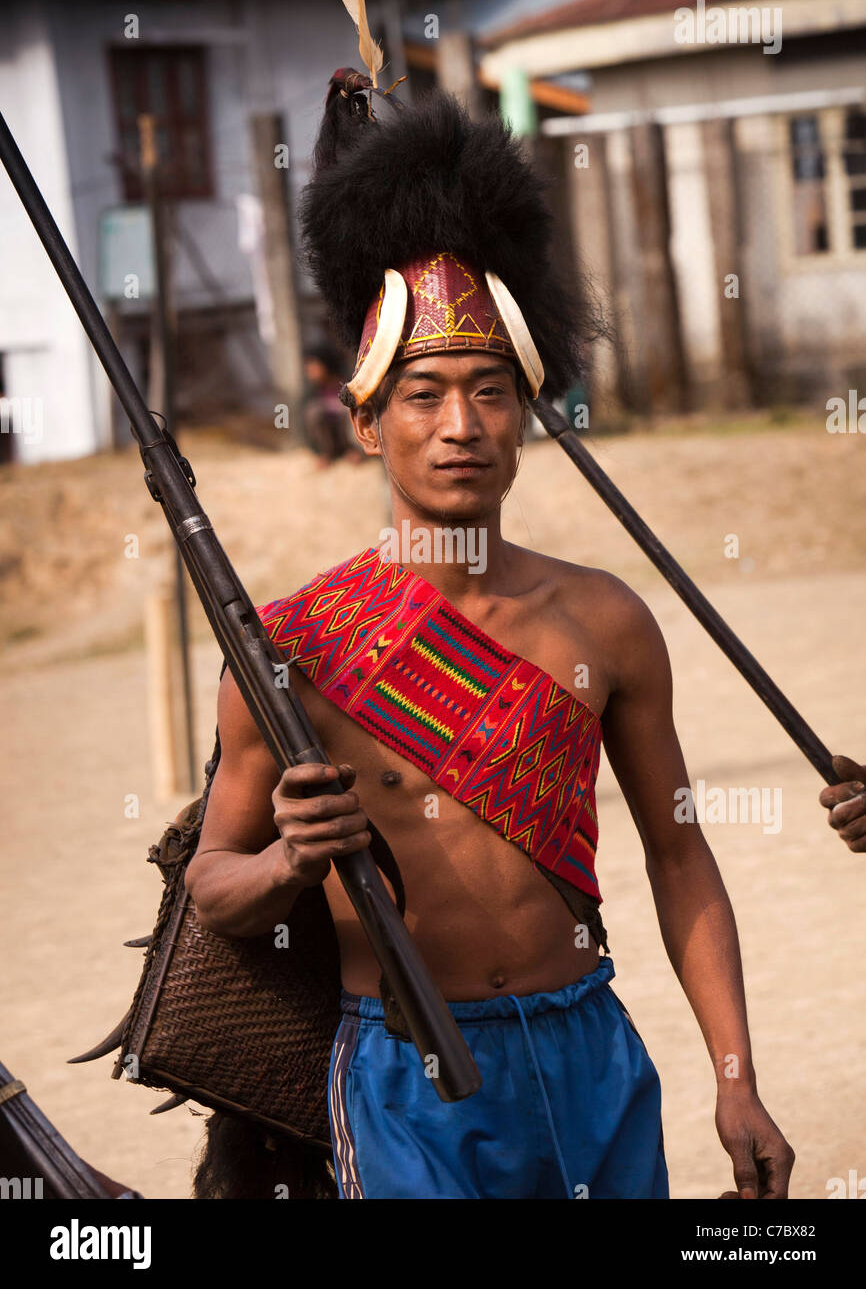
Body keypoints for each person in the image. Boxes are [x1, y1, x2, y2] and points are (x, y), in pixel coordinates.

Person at [185, 75, 795, 1200]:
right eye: (422, 394)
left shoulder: (605, 619)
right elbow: (214, 886)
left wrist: (734, 1078)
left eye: (488, 391)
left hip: (591, 1052)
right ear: (365, 420)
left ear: (528, 413)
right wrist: (289, 861)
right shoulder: (292, 646)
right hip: (408, 1074)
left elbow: (675, 852)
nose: (459, 424)